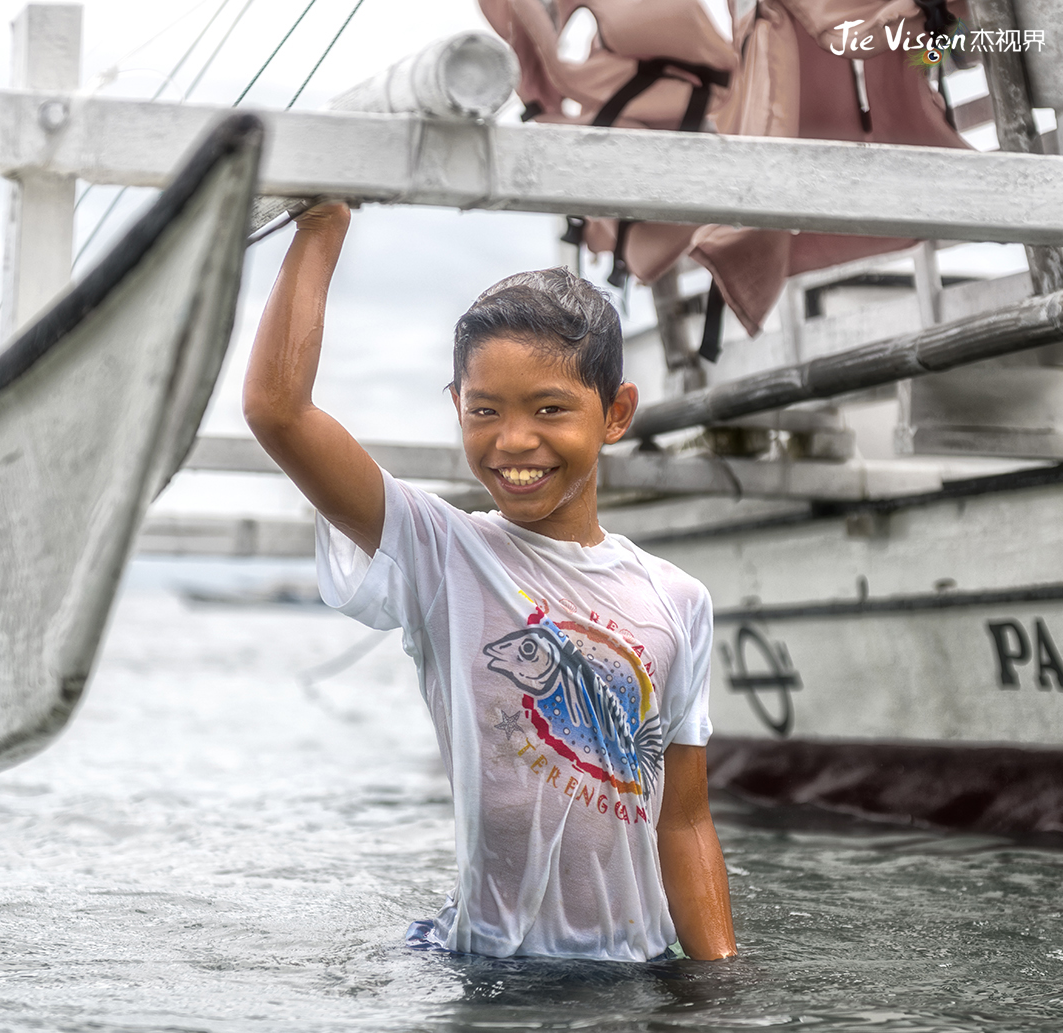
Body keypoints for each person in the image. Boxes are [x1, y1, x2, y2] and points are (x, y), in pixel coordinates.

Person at [243, 202, 736, 963]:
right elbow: (279, 411)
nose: (514, 441)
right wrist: (323, 228)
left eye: (550, 409)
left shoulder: (679, 599)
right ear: (456, 410)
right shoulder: (444, 553)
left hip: (638, 973)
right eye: (485, 411)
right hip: (490, 969)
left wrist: (719, 986)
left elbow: (685, 820)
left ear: (616, 413)